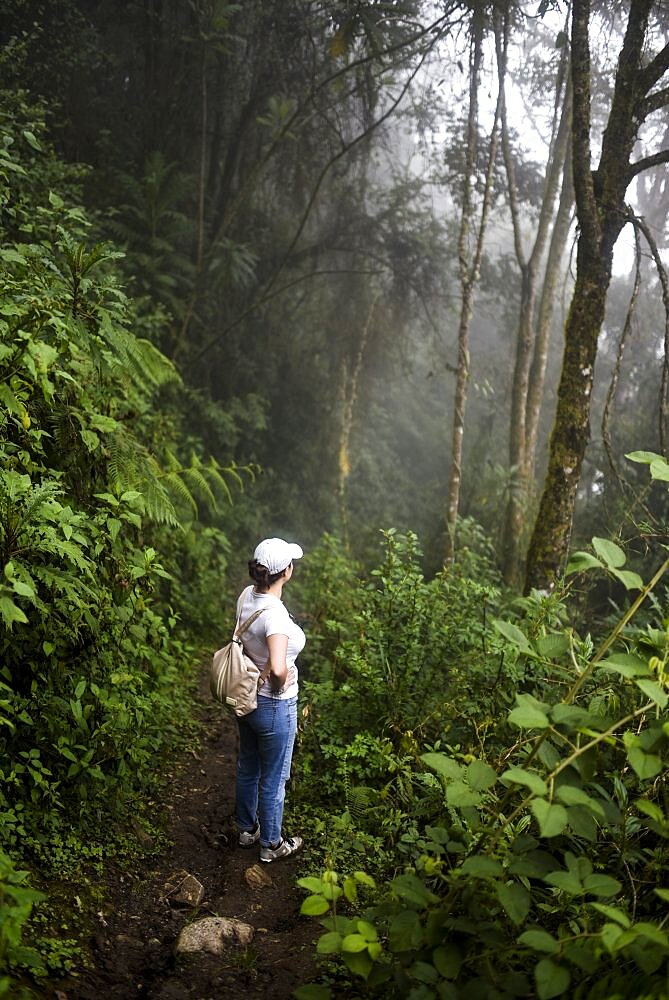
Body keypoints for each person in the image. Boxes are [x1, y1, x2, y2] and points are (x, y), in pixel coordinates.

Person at [234, 537, 306, 862]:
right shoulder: (275, 616)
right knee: (274, 777)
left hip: (246, 699)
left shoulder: (247, 596)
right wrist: (279, 682)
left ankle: (247, 830)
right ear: (286, 572)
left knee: (248, 765)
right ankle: (272, 844)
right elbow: (277, 667)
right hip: (274, 706)